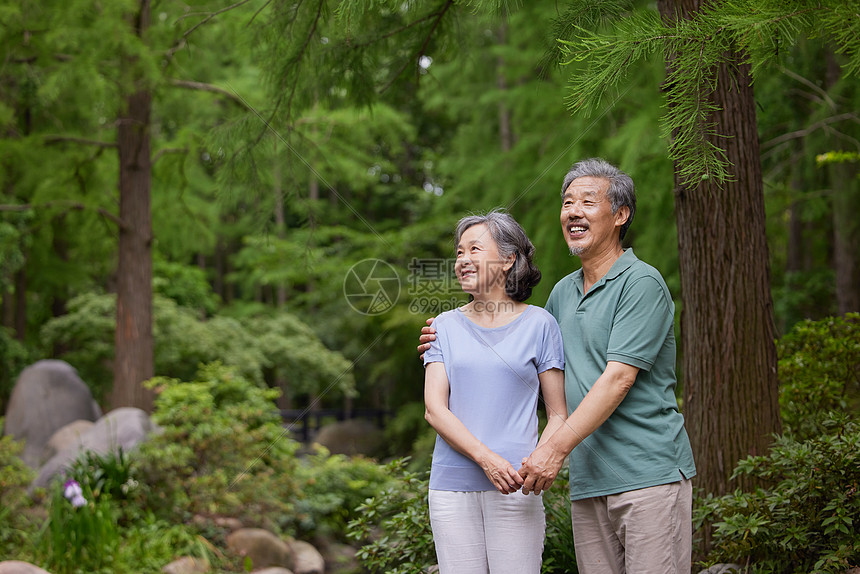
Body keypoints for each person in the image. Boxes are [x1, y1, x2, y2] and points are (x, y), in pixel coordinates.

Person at [419, 159, 697, 574]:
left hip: (647, 472)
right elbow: (517, 348)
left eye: (588, 201)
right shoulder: (562, 296)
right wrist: (445, 334)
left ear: (620, 215)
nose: (573, 211)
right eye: (567, 202)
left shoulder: (641, 283)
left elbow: (618, 379)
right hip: (589, 479)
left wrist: (552, 450)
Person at [422, 209, 567, 574]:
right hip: (451, 488)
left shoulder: (540, 324)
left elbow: (559, 413)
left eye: (474, 249)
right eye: (458, 252)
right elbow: (435, 410)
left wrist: (539, 463)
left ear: (507, 259)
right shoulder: (442, 326)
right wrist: (486, 459)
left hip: (517, 486)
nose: (463, 260)